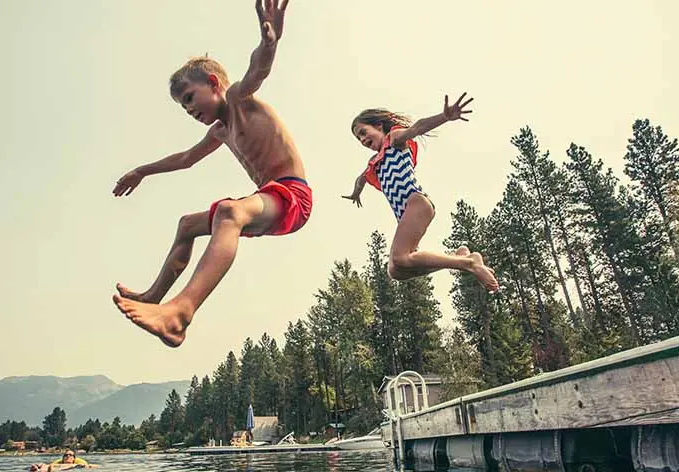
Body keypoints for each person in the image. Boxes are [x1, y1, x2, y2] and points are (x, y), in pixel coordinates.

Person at [111, 0, 311, 347]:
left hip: (292, 196)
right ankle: (154, 298)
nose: (188, 109)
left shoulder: (238, 99)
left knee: (230, 212)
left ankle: (180, 314)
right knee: (187, 225)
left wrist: (269, 43)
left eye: (190, 98)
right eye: (183, 106)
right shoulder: (220, 130)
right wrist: (141, 171)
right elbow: (187, 158)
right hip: (269, 199)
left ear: (214, 83)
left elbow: (258, 71)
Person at [342, 93, 499, 292]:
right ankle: (460, 259)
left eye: (364, 132)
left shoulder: (393, 140)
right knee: (397, 270)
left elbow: (417, 127)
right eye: (359, 138)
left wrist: (444, 117)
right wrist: (356, 193)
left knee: (400, 257)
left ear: (379, 126)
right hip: (405, 213)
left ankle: (470, 264)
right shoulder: (374, 163)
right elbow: (362, 178)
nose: (363, 139)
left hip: (415, 202)